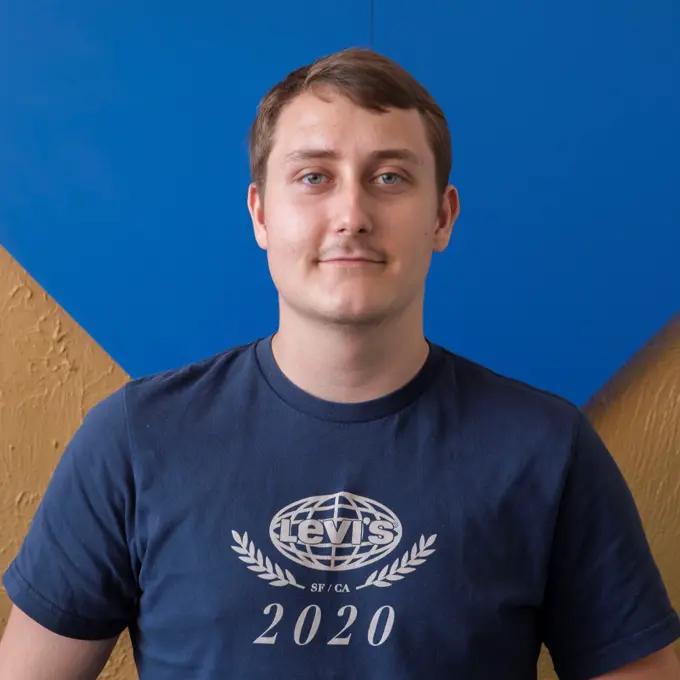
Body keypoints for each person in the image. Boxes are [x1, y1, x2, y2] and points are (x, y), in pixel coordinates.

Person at [0, 46, 678, 680]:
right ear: (261, 214)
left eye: (389, 177)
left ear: (442, 217)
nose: (351, 213)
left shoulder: (546, 450)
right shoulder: (132, 441)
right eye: (314, 177)